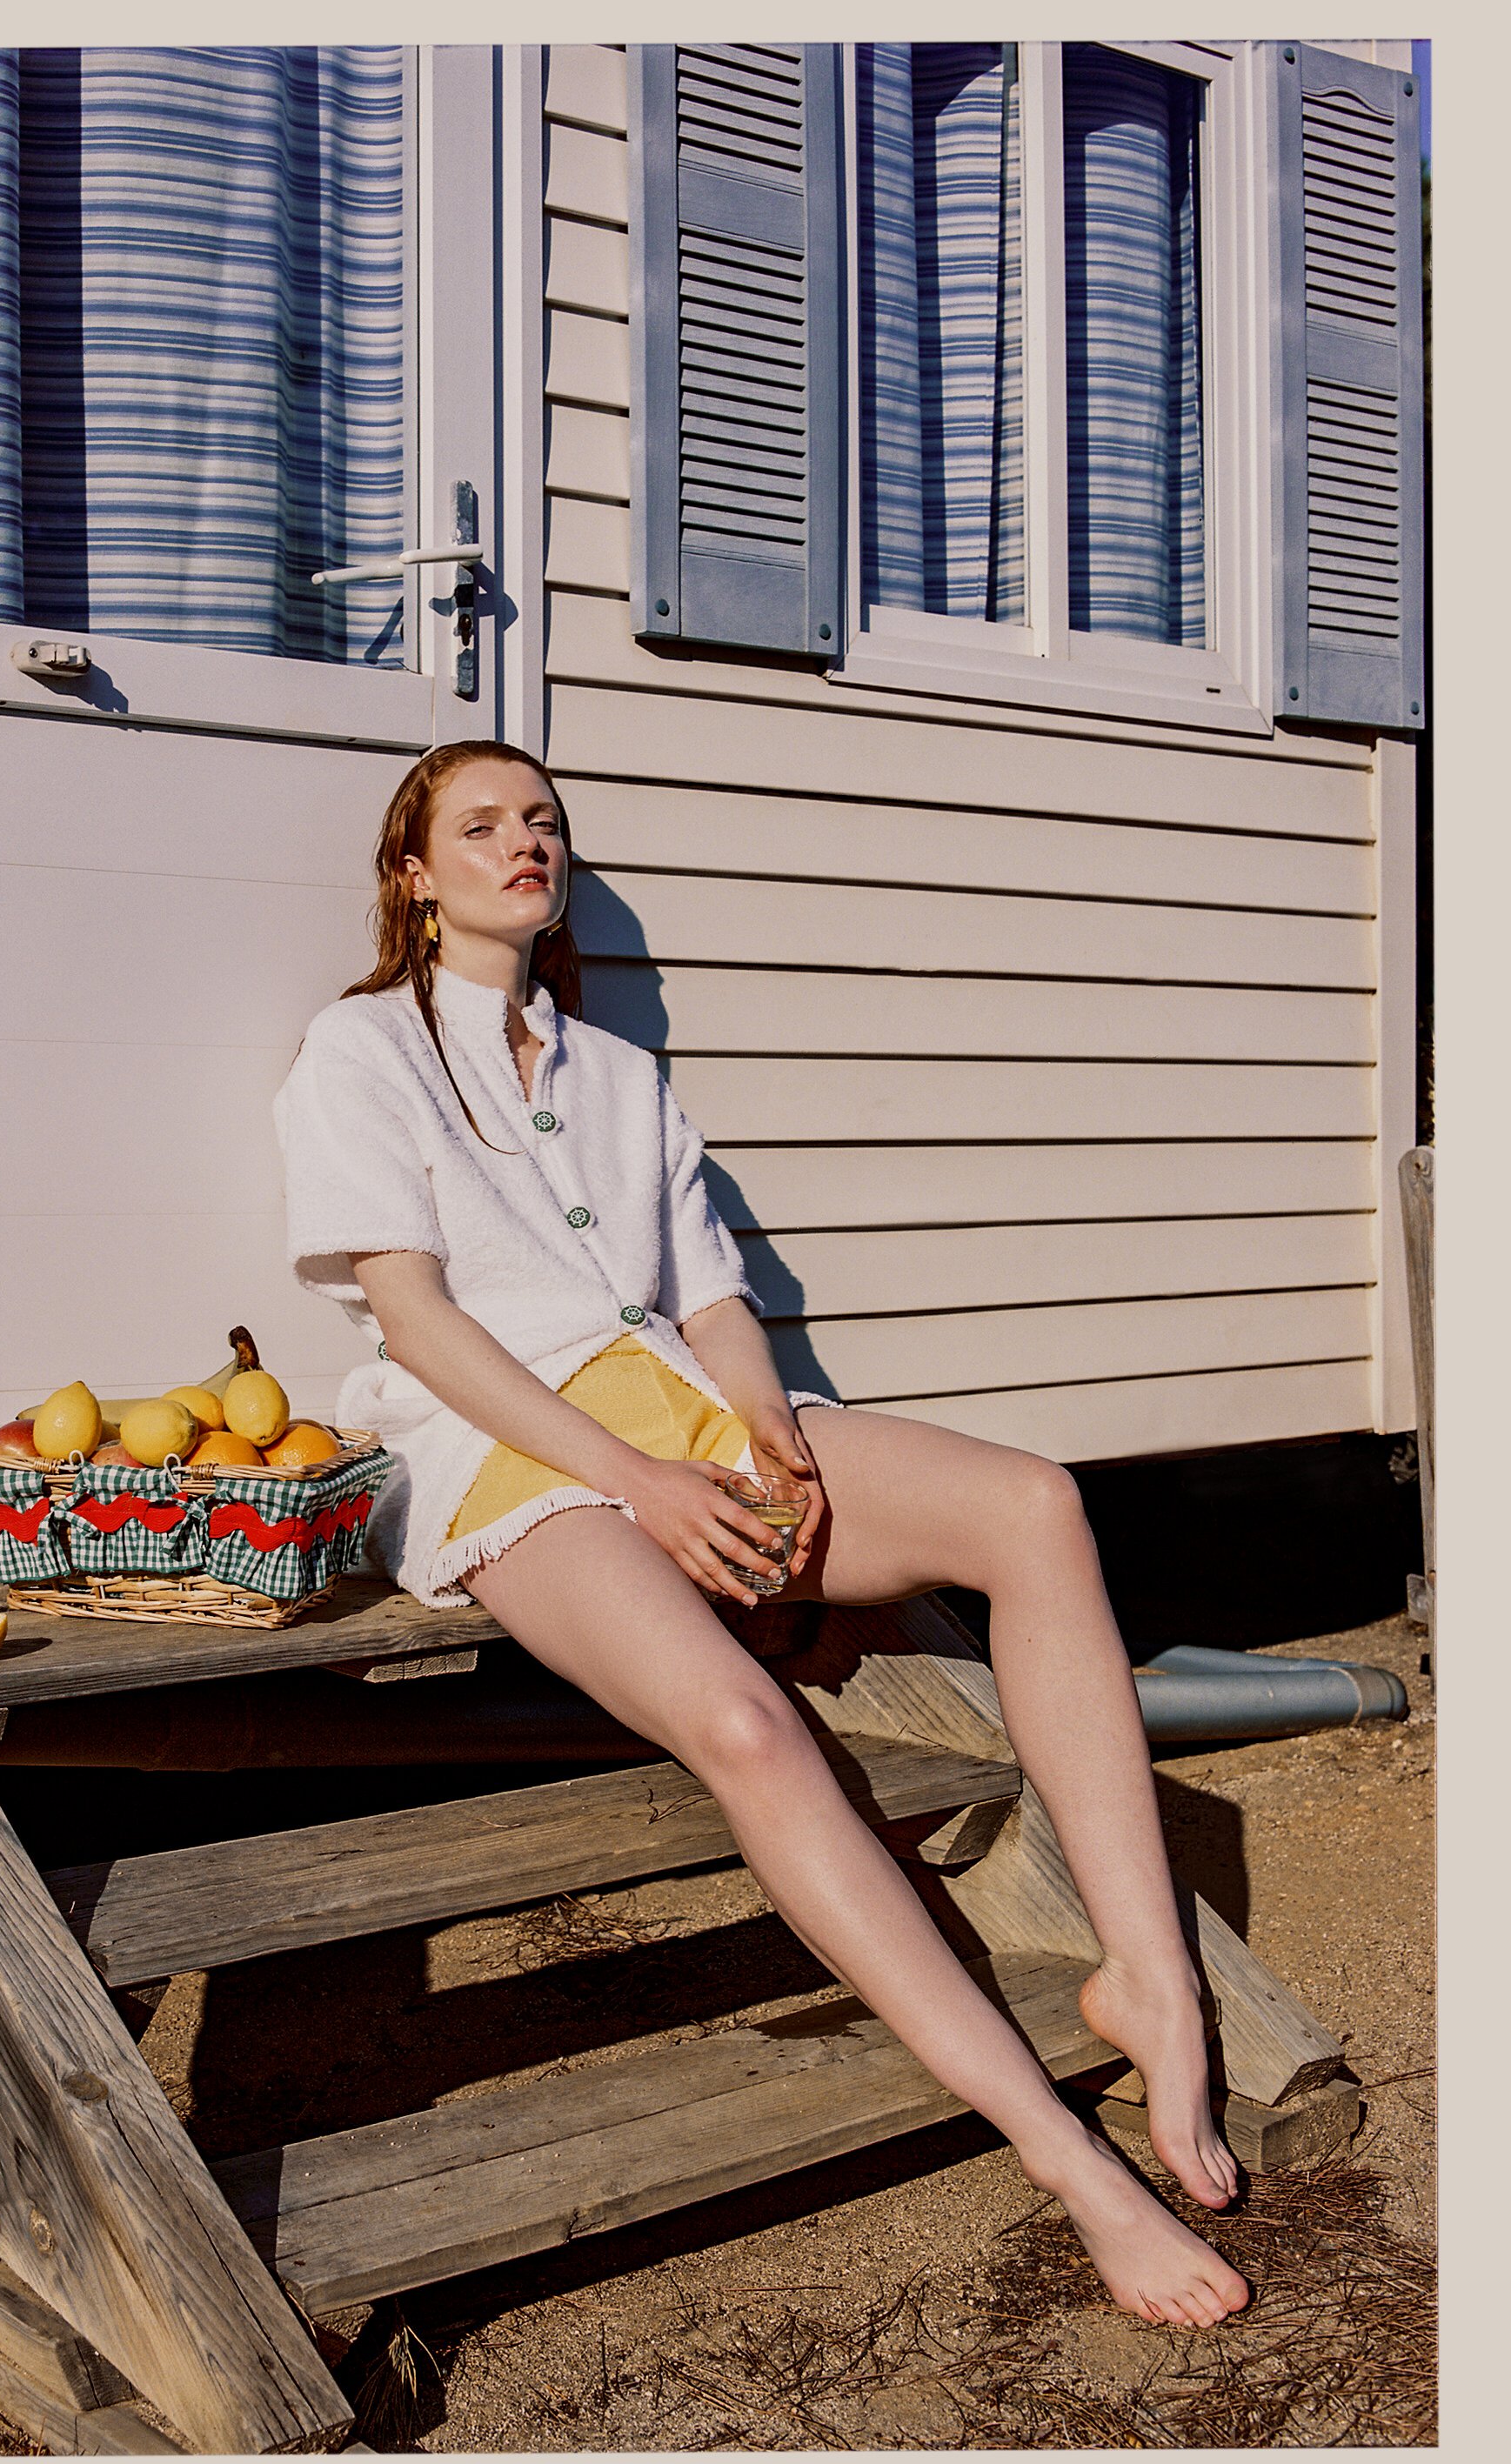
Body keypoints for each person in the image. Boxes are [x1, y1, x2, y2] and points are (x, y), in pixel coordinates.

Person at [273, 738, 1250, 2329]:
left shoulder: (611, 1071)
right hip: (497, 1453)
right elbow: (421, 1322)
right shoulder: (362, 1048)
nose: (523, 841)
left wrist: (769, 1437)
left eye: (543, 821)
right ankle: (1067, 2162)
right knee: (744, 1720)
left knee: (1033, 1504)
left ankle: (1153, 1981)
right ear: (412, 872)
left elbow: (712, 1295)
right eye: (479, 824)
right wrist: (642, 1482)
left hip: (676, 1406)